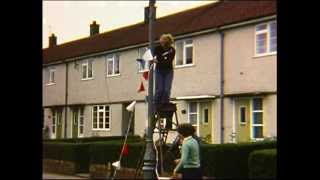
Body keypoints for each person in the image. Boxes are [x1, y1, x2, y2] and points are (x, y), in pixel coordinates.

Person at [151, 34, 176, 110]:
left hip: (168, 71)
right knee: (160, 89)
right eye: (161, 43)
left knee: (166, 89)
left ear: (168, 43)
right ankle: (156, 103)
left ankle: (165, 102)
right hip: (159, 70)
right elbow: (153, 57)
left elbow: (168, 61)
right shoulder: (158, 48)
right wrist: (153, 59)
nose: (163, 45)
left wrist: (158, 60)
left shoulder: (172, 50)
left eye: (164, 44)